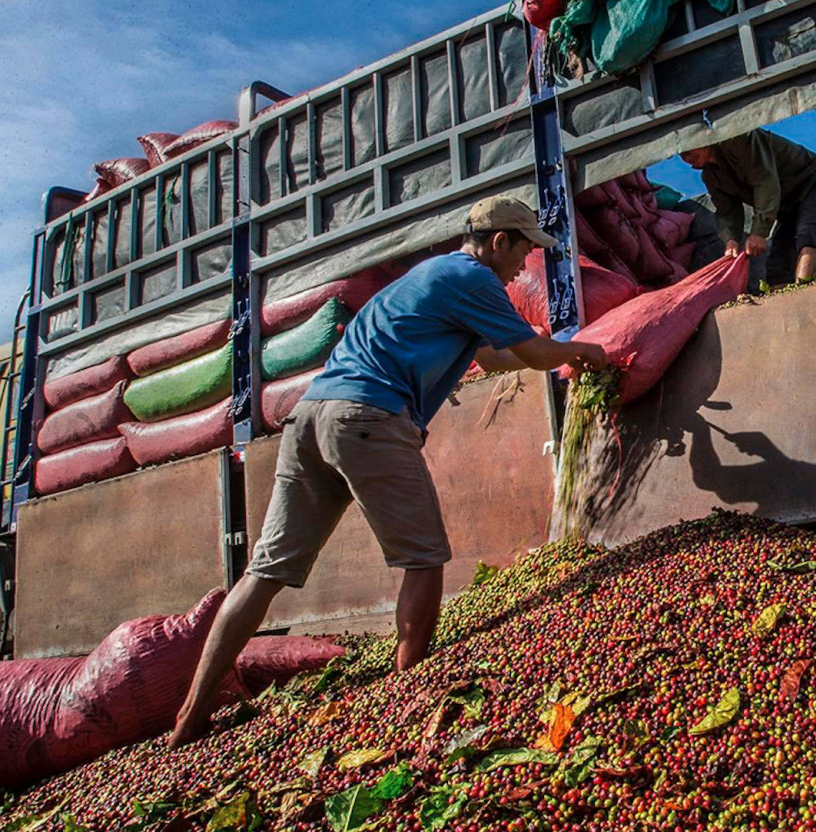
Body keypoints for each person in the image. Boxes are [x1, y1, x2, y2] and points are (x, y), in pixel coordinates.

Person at [168, 195, 606, 748]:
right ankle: (407, 693)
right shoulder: (475, 279)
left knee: (264, 572)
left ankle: (191, 714)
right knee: (424, 559)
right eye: (523, 250)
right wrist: (584, 351)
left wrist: (554, 351)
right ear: (499, 242)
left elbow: (495, 359)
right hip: (368, 416)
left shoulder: (431, 276)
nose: (525, 264)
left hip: (310, 417)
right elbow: (535, 352)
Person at [681, 128, 816, 284]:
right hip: (788, 206)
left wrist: (759, 232)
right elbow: (727, 211)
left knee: (808, 236)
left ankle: (807, 294)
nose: (686, 157)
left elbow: (765, 182)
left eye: (688, 149)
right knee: (777, 265)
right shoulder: (711, 176)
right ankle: (784, 307)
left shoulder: (738, 140)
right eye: (681, 154)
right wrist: (731, 240)